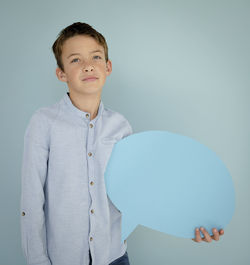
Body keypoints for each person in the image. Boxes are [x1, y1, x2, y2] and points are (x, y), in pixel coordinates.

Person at [20, 22, 224, 265]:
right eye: (75, 60)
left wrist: (189, 223)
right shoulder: (44, 122)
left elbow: (138, 191)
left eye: (96, 57)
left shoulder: (120, 126)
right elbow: (31, 201)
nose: (88, 65)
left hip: (114, 257)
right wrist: (37, 260)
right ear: (61, 73)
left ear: (108, 67)